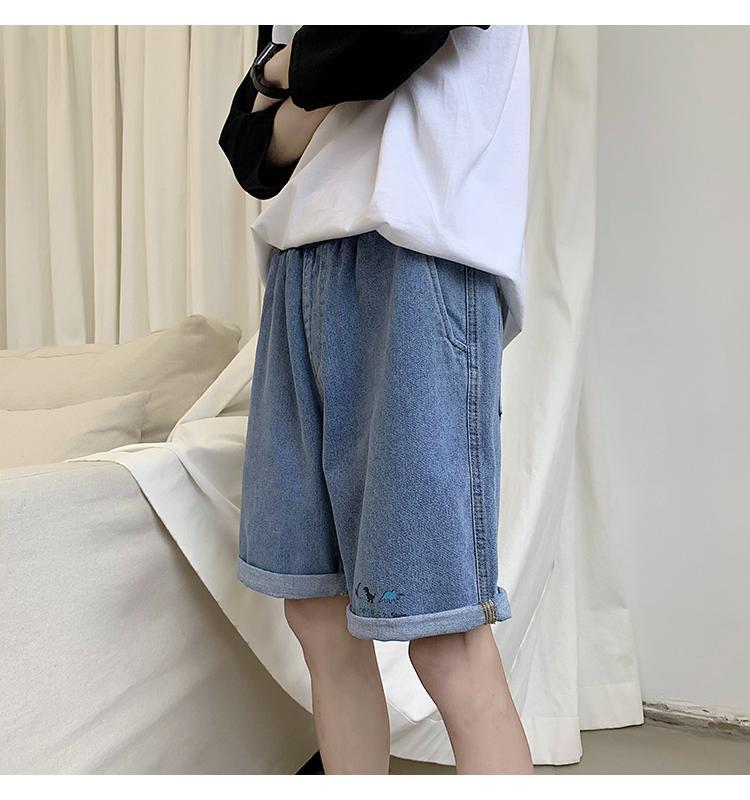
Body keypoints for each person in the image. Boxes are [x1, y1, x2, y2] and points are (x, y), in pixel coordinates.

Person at [219, 25, 532, 775]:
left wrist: (284, 73)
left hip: (418, 260)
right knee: (316, 616)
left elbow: (386, 43)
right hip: (296, 269)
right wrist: (303, 68)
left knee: (447, 643)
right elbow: (251, 155)